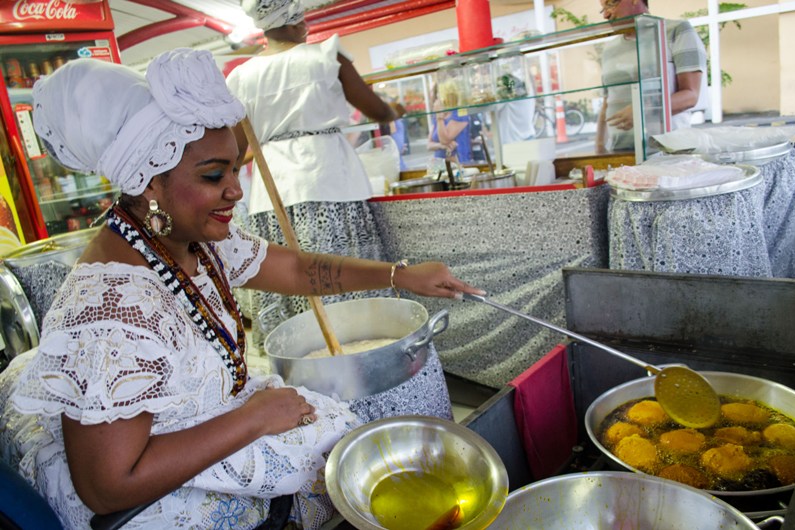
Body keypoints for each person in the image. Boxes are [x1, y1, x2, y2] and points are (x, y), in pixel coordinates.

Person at [4, 49, 482, 530]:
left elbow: (295, 270)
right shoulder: (111, 307)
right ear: (149, 183)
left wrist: (400, 275)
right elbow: (109, 486)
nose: (235, 190)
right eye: (214, 175)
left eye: (235, 168)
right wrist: (253, 418)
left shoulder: (185, 238)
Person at [226, 0, 404, 347]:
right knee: (345, 273)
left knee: (291, 277)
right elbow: (378, 111)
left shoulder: (239, 77)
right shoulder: (326, 56)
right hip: (330, 180)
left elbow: (235, 148)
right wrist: (395, 109)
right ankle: (360, 350)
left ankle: (306, 357)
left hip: (272, 191)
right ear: (299, 21)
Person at [595, 0, 707, 153]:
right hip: (620, 153)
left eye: (611, 3)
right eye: (603, 9)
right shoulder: (609, 49)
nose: (606, 15)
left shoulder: (677, 30)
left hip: (668, 152)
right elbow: (607, 103)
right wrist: (599, 147)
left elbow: (691, 95)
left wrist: (641, 111)